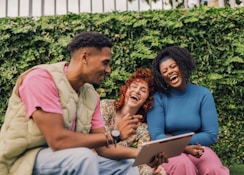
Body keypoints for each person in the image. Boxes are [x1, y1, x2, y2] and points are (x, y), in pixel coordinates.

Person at [0, 31, 165, 175]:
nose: (108, 70)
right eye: (105, 62)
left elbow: (103, 147)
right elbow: (57, 140)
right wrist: (115, 135)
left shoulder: (91, 95)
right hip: (22, 159)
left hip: (64, 157)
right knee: (83, 158)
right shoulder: (42, 79)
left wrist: (141, 154)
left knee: (125, 166)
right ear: (85, 57)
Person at [147, 45, 230, 175]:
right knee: (183, 165)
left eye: (173, 66)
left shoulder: (203, 94)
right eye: (164, 71)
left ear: (182, 65)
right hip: (168, 150)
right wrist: (183, 147)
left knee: (214, 169)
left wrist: (178, 140)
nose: (169, 71)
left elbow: (210, 134)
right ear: (162, 77)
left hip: (197, 147)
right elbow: (157, 136)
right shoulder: (158, 99)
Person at [100, 68, 167, 175]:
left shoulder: (142, 128)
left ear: (147, 99)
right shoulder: (106, 106)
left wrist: (151, 172)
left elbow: (142, 161)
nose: (136, 91)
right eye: (134, 86)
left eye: (143, 90)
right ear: (126, 89)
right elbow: (101, 145)